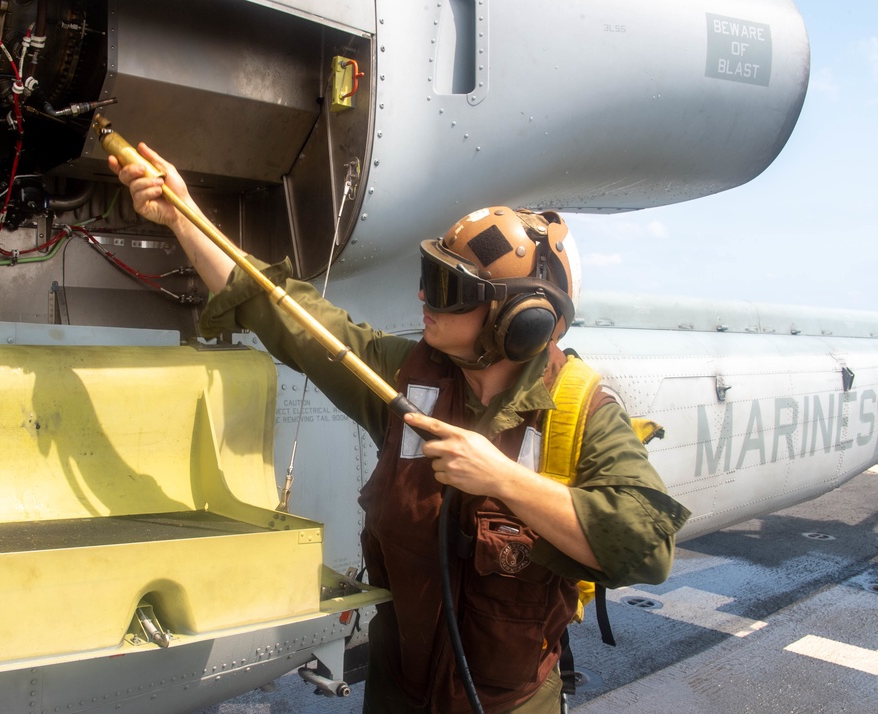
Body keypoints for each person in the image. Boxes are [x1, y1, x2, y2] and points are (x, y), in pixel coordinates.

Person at [110, 145, 690, 714]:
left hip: (510, 704)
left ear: (520, 321)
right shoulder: (407, 381)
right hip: (397, 694)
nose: (422, 297)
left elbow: (647, 547)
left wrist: (505, 480)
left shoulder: (577, 410)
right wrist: (185, 219)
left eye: (447, 289)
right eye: (429, 275)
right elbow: (289, 318)